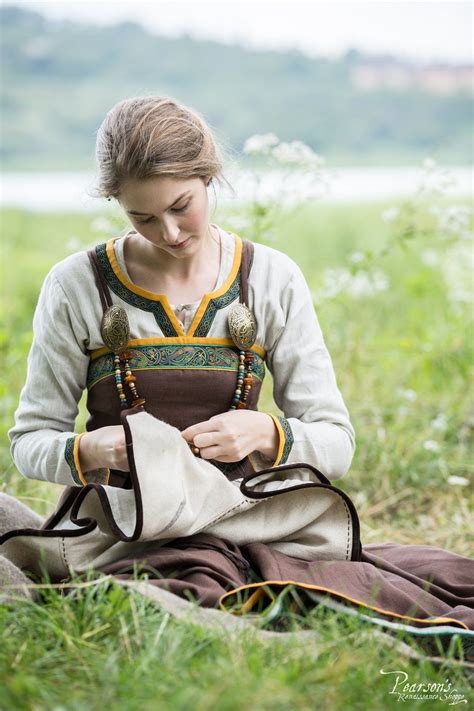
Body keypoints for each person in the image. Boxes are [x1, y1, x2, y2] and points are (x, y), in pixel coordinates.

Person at [2, 97, 473, 645]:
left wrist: (267, 433)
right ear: (116, 203)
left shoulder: (272, 277)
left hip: (249, 516)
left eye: (182, 205)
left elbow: (337, 443)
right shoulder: (76, 284)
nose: (171, 233)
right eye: (143, 217)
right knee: (164, 592)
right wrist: (93, 452)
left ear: (210, 176)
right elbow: (29, 442)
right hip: (126, 527)